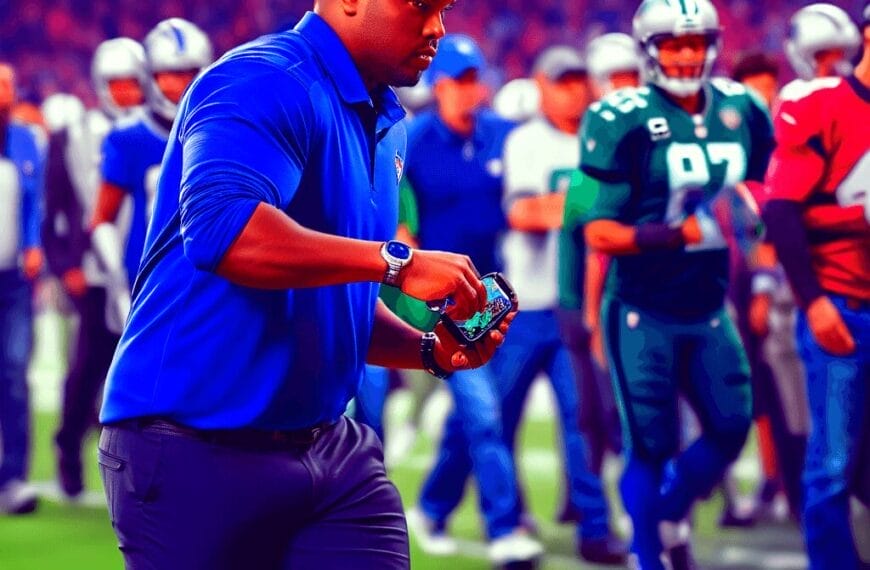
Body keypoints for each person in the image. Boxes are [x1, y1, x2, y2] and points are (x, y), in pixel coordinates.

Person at [96, 3, 518, 568]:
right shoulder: (261, 79)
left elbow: (339, 302)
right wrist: (396, 261)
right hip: (192, 441)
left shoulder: (388, 121)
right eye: (419, 6)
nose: (437, 27)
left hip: (330, 448)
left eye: (442, 9)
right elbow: (225, 230)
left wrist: (429, 349)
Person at [581, 0, 774, 567]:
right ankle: (648, 553)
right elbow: (598, 232)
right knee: (651, 442)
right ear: (649, 50)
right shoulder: (621, 116)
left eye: (695, 42)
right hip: (643, 306)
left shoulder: (743, 108)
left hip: (711, 302)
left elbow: (760, 195)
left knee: (732, 425)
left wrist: (758, 259)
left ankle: (667, 510)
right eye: (673, 44)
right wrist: (677, 233)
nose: (686, 55)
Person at [400, 34, 543, 565]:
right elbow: (391, 210)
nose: (465, 90)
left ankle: (433, 507)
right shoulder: (411, 140)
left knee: (476, 414)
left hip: (496, 295)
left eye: (471, 79)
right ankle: (504, 529)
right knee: (483, 413)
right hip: (442, 300)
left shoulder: (503, 135)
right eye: (455, 81)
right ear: (436, 86)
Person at [497, 45, 627, 565]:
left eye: (579, 79)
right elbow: (524, 212)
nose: (573, 89)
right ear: (542, 85)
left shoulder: (602, 140)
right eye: (562, 81)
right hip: (523, 303)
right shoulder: (526, 140)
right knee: (500, 419)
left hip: (576, 308)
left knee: (583, 422)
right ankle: (512, 516)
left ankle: (594, 527)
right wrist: (595, 210)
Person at [761, 4, 870, 568]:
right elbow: (780, 212)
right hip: (842, 306)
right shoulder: (821, 104)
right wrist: (815, 300)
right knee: (831, 464)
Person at [42, 37, 148, 500]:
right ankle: (68, 449)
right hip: (96, 274)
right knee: (86, 370)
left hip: (147, 271)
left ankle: (141, 464)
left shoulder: (158, 127)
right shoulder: (74, 134)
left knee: (144, 374)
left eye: (130, 83)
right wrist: (66, 265)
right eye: (115, 83)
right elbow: (56, 208)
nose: (123, 92)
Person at [90, 20, 212, 334]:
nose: (181, 84)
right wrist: (116, 283)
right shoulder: (129, 136)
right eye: (170, 74)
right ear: (150, 76)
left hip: (207, 277)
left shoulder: (218, 129)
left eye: (189, 73)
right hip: (146, 276)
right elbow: (102, 219)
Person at [559, 31, 642, 482]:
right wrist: (593, 317)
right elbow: (596, 244)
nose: (622, 89)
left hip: (631, 301)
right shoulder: (596, 150)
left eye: (629, 78)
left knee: (620, 416)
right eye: (613, 80)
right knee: (592, 415)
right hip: (590, 302)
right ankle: (592, 507)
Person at [0, 62, 46, 515]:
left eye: (7, 85)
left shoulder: (26, 140)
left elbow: (36, 202)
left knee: (14, 375)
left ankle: (13, 478)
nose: (2, 92)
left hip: (13, 281)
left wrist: (34, 245)